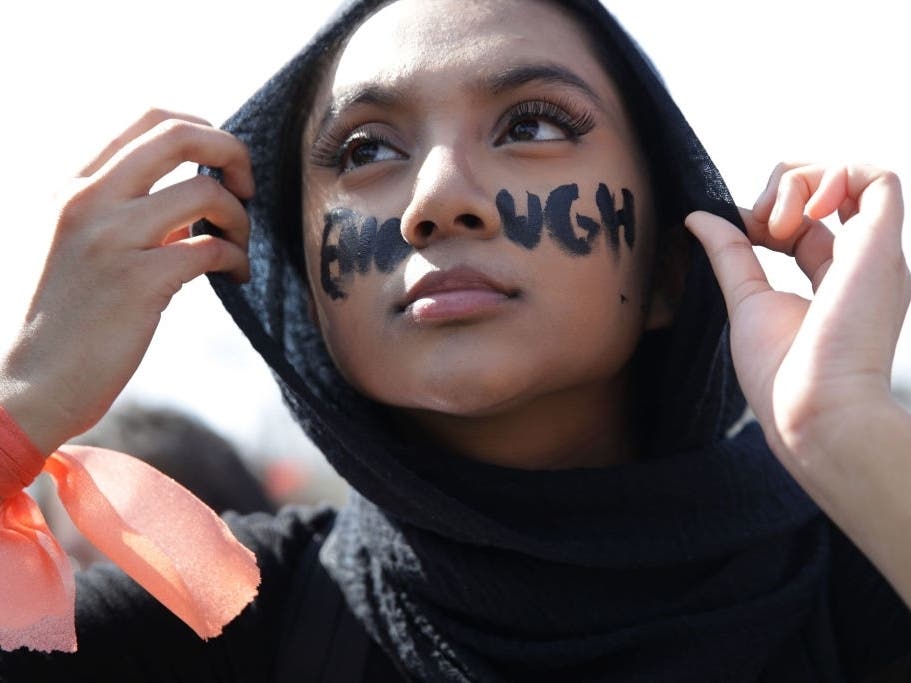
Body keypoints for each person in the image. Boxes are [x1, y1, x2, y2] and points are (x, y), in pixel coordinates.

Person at [1, 0, 910, 680]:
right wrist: (22, 403)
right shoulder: (213, 616)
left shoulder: (864, 570)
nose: (437, 199)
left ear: (673, 266)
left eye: (533, 125)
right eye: (365, 150)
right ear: (306, 287)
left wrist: (850, 434)